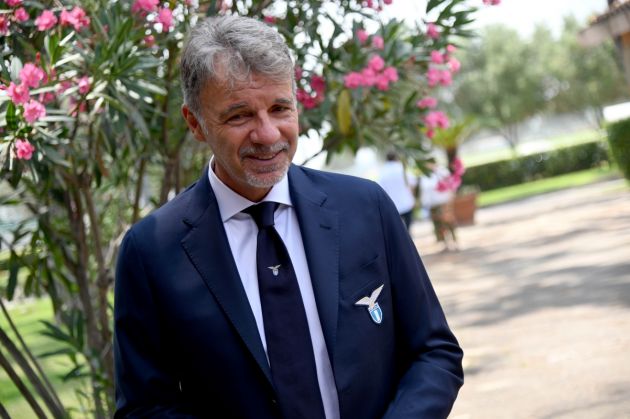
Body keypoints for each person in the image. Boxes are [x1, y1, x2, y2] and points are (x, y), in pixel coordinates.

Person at [114, 15, 463, 419]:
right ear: (195, 123)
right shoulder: (151, 252)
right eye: (239, 116)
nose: (267, 134)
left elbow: (434, 351)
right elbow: (145, 409)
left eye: (280, 108)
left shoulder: (366, 208)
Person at [377, 151, 418, 231]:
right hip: (406, 202)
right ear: (396, 158)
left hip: (393, 206)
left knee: (399, 230)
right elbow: (413, 182)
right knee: (408, 228)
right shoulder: (401, 168)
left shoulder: (383, 171)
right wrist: (412, 196)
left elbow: (381, 189)